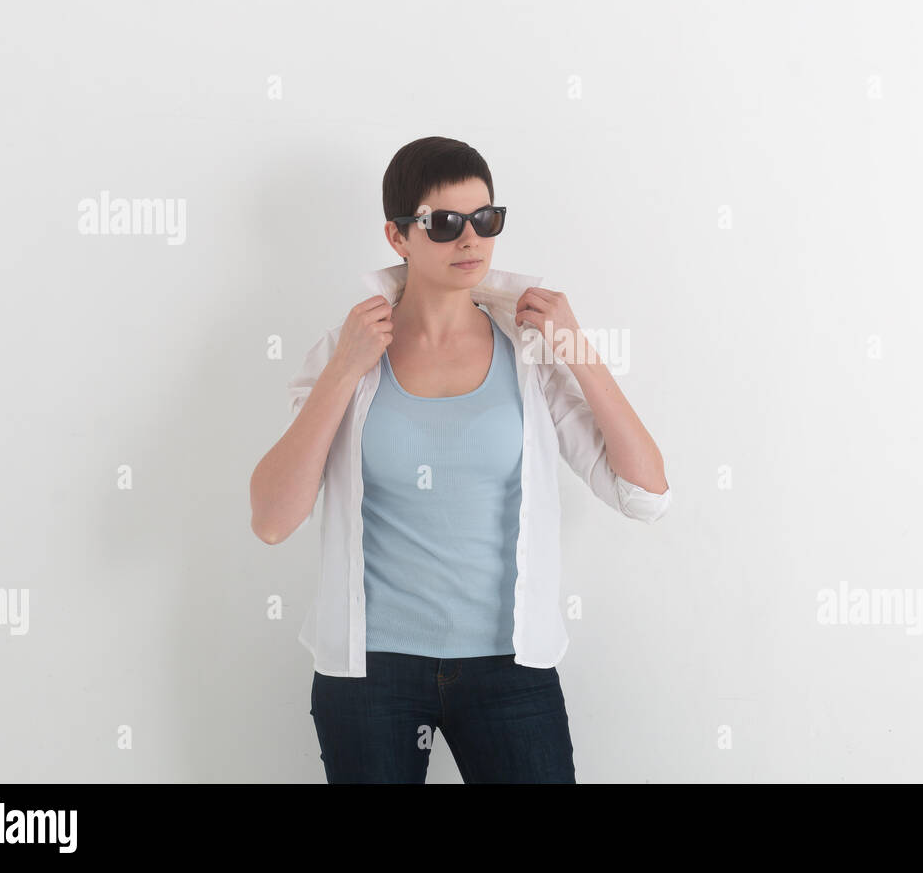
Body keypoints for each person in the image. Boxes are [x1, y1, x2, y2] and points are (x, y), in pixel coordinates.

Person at [249, 136, 671, 783]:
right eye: (444, 224)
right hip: (371, 672)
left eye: (486, 219)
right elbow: (273, 519)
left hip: (510, 670)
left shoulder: (527, 356)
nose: (470, 240)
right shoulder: (347, 351)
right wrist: (344, 370)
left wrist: (578, 349)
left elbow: (645, 493)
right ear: (398, 237)